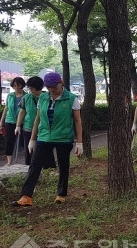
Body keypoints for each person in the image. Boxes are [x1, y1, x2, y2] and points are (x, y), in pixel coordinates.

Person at [11, 72, 83, 206]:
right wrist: (32, 139)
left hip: (63, 137)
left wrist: (79, 142)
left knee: (63, 166)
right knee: (34, 165)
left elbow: (78, 121)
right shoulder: (43, 98)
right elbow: (38, 119)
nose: (51, 90)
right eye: (48, 87)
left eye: (54, 87)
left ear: (60, 83)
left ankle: (61, 194)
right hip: (44, 137)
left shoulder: (72, 99)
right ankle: (26, 196)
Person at [15, 76, 45, 166]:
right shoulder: (26, 97)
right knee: (29, 150)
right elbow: (22, 112)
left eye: (32, 88)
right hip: (28, 128)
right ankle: (28, 167)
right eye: (29, 88)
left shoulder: (46, 97)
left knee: (43, 151)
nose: (30, 90)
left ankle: (44, 168)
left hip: (43, 129)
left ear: (38, 87)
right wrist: (18, 126)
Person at [1, 77, 26, 166]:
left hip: (22, 122)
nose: (16, 87)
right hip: (10, 121)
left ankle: (26, 161)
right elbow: (6, 108)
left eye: (18, 85)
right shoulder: (10, 96)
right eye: (14, 85)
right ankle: (9, 162)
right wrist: (1, 121)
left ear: (22, 85)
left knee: (23, 141)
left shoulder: (26, 96)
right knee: (9, 141)